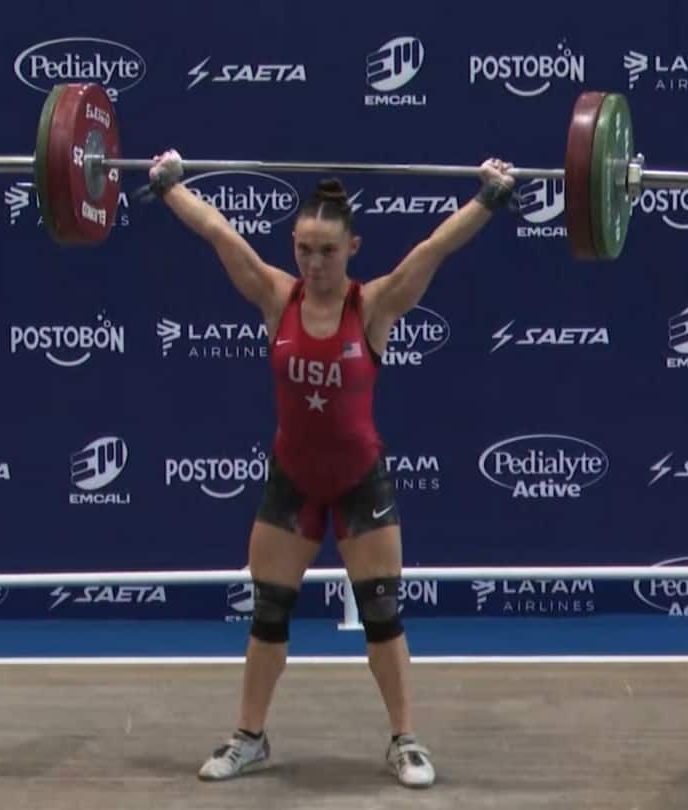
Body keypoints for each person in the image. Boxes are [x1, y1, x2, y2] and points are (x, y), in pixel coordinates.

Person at [144, 149, 517, 789]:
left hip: (358, 482)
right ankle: (250, 738)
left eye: (328, 251)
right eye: (305, 249)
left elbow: (433, 249)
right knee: (268, 615)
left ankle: (405, 741)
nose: (314, 264)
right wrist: (169, 184)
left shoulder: (371, 307)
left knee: (382, 615)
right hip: (293, 481)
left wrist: (489, 196)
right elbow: (216, 231)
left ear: (353, 248)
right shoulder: (274, 294)